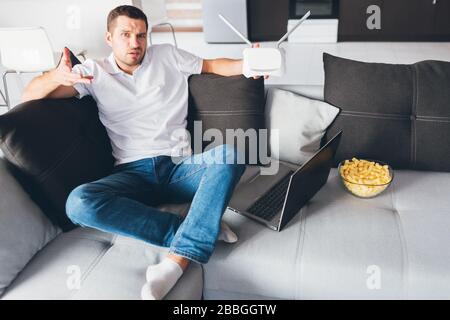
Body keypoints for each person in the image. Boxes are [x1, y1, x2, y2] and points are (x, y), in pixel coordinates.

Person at [22, 5, 266, 300]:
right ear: (109, 37)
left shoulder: (168, 56)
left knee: (229, 154)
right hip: (131, 173)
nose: (135, 43)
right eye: (125, 34)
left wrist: (249, 64)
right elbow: (29, 95)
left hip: (180, 168)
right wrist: (56, 76)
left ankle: (176, 263)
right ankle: (197, 229)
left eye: (141, 35)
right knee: (78, 203)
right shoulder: (93, 73)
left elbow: (212, 66)